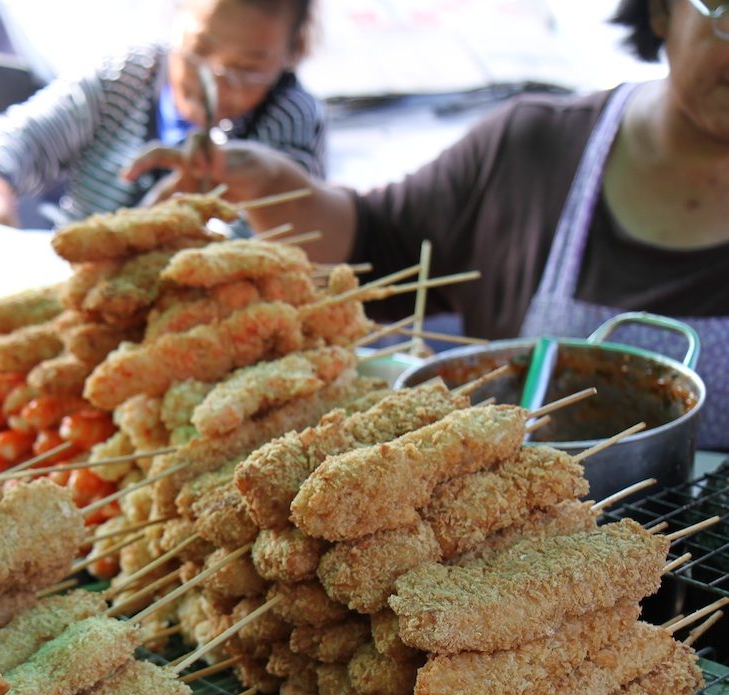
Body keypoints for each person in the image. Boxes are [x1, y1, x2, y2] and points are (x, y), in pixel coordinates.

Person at [124, 0, 729, 442]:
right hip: (499, 577)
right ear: (661, 10)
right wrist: (269, 181)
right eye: (722, 10)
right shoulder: (534, 147)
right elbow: (374, 245)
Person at [0, 0, 324, 226]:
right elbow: (19, 139)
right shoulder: (128, 76)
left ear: (293, 51)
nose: (212, 83)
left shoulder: (288, 120)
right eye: (198, 49)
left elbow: (277, 244)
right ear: (175, 19)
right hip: (72, 292)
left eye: (246, 69)